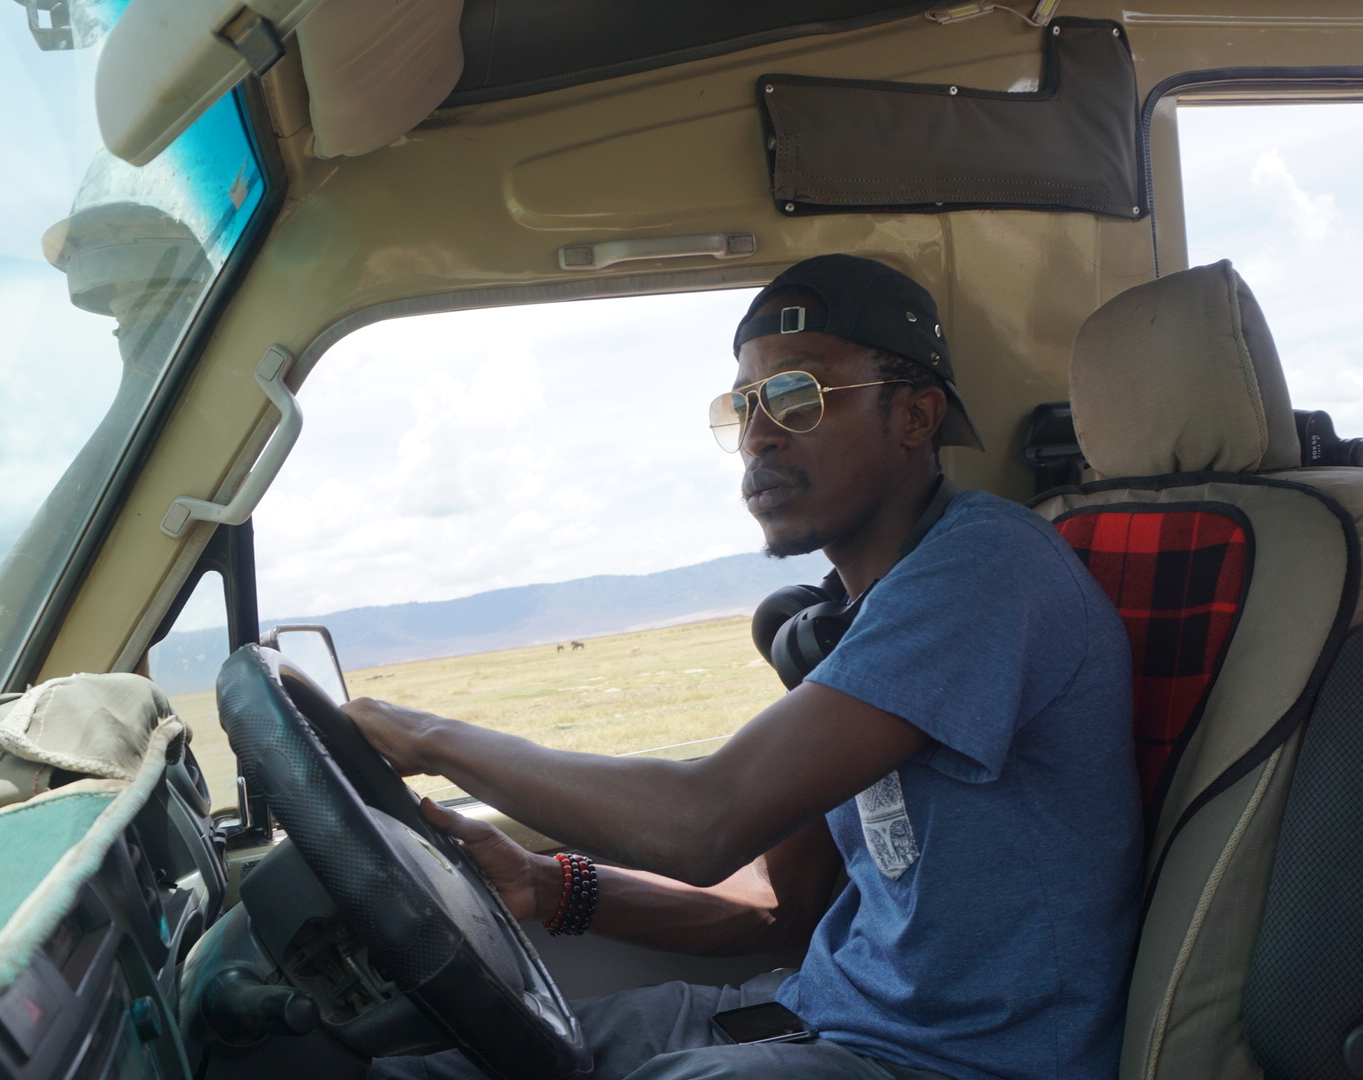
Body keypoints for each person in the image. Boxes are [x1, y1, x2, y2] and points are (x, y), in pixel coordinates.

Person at [346, 255, 1143, 1080]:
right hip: (813, 1015)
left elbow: (701, 824)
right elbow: (774, 904)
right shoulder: (860, 615)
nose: (759, 436)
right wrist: (546, 886)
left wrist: (428, 736)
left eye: (799, 397)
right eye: (744, 406)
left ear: (914, 417)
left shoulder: (985, 571)